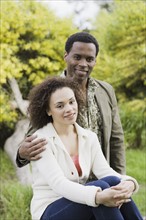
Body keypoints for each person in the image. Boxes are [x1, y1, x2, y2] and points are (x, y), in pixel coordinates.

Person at [28, 76, 142, 220]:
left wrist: (130, 183)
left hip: (79, 202)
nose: (69, 109)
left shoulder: (89, 137)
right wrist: (97, 196)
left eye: (71, 101)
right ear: (48, 110)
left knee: (114, 181)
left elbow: (105, 171)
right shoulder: (41, 140)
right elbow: (59, 184)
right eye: (60, 106)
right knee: (99, 189)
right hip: (50, 210)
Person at [16, 32, 125, 175]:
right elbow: (33, 139)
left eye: (89, 59)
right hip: (68, 182)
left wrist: (119, 179)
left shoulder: (106, 91)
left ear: (95, 62)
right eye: (77, 57)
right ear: (66, 56)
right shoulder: (49, 92)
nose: (83, 64)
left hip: (102, 178)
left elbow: (116, 140)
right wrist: (22, 154)